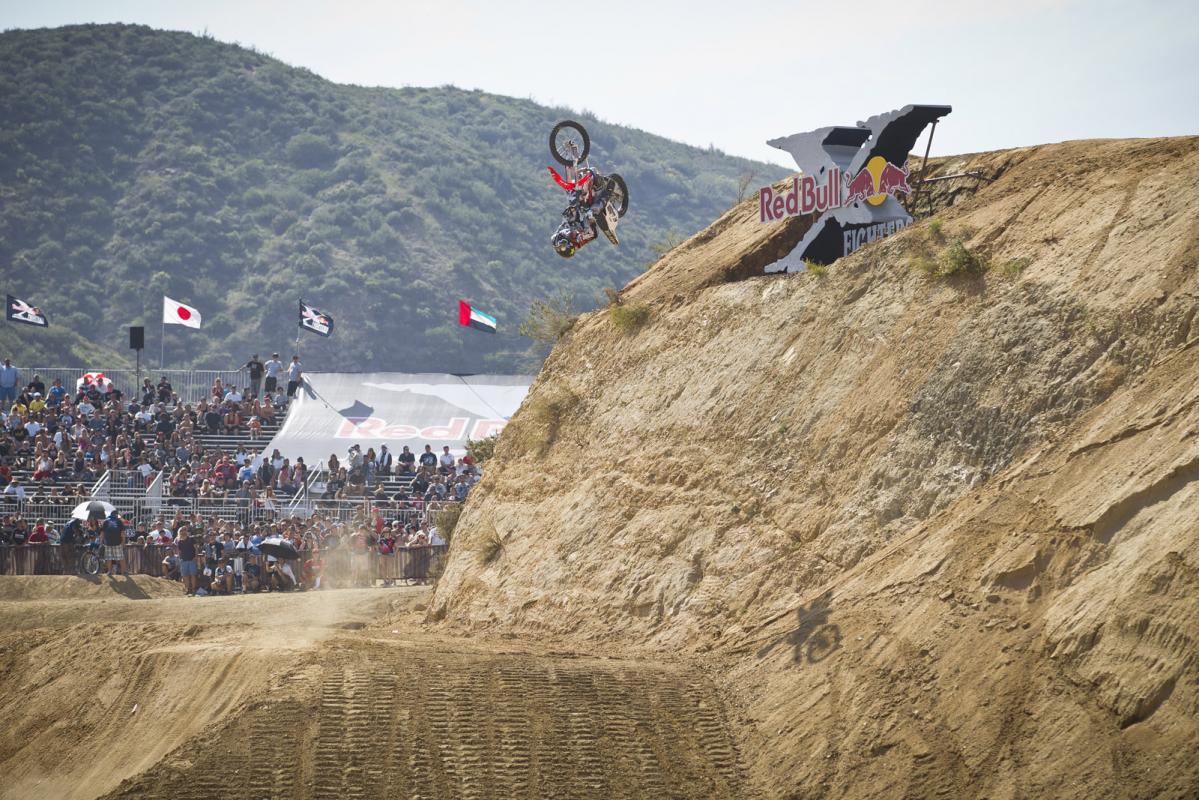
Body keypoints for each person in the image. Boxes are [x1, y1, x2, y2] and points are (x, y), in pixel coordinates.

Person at [101, 510, 126, 576]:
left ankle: (109, 572)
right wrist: (123, 543)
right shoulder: (119, 521)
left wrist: (101, 542)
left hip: (108, 542)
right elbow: (122, 533)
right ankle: (123, 573)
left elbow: (102, 533)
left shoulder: (106, 521)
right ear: (116, 515)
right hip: (117, 542)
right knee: (120, 557)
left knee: (109, 558)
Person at [176, 525, 199, 595]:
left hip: (192, 560)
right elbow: (179, 551)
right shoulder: (179, 541)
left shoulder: (191, 539)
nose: (183, 532)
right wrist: (180, 559)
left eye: (184, 530)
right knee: (185, 576)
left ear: (186, 531)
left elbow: (196, 549)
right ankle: (188, 589)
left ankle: (194, 590)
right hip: (183, 561)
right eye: (181, 530)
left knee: (193, 575)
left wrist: (195, 557)